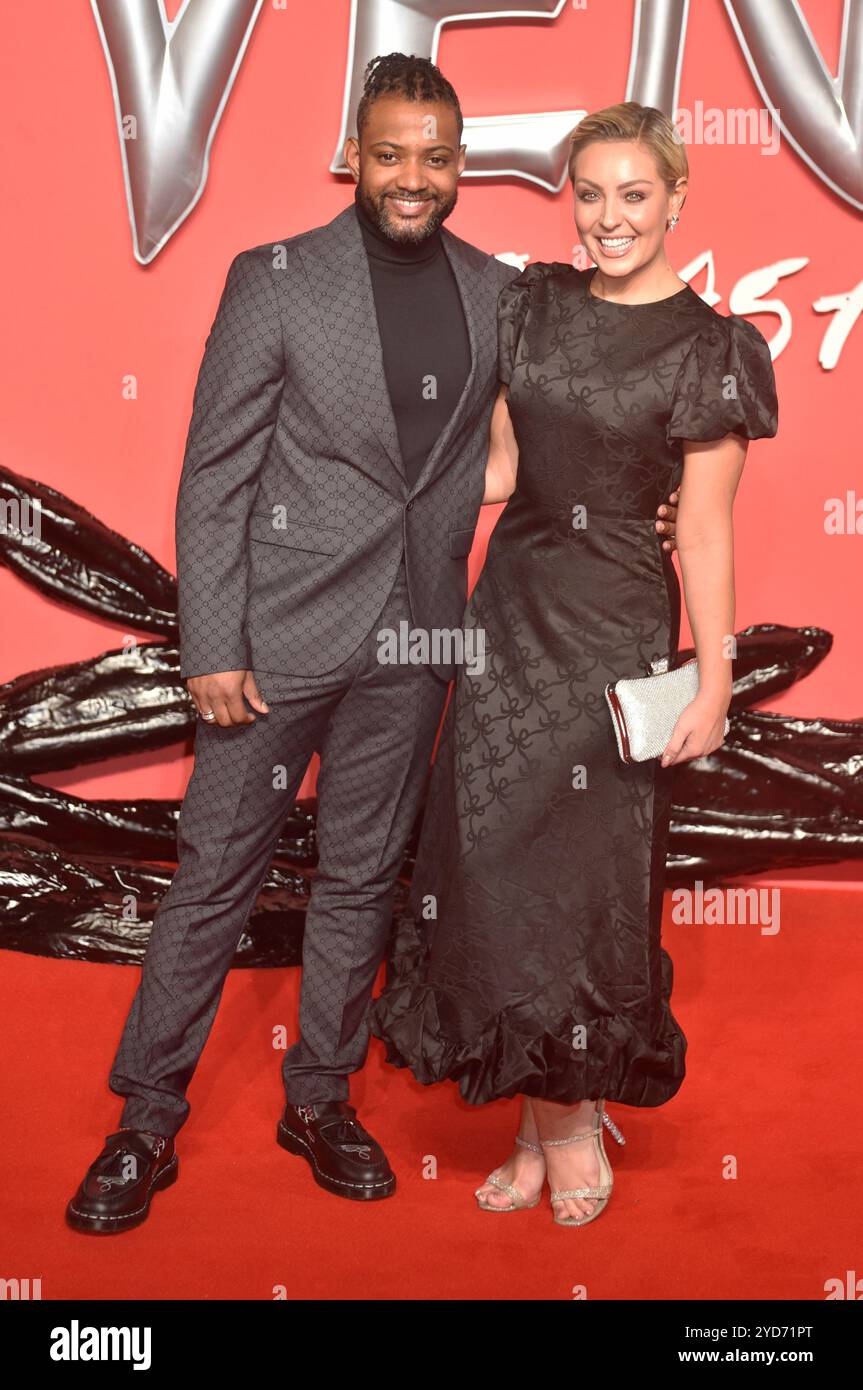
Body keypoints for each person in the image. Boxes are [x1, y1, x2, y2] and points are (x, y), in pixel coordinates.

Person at [65, 64, 679, 1234]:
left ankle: (319, 1097)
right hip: (272, 646)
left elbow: (571, 413)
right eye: (392, 154)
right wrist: (212, 645)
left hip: (412, 643)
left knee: (356, 880)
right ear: (356, 154)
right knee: (212, 882)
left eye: (436, 156)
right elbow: (215, 475)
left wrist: (645, 498)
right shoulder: (275, 282)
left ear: (459, 163)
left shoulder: (494, 291)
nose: (413, 177)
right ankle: (143, 1120)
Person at [369, 101, 779, 1227]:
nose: (607, 218)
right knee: (490, 867)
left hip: (608, 632)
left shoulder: (709, 345)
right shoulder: (531, 302)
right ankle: (548, 1115)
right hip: (508, 616)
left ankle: (563, 1119)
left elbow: (700, 528)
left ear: (676, 198)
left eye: (632, 194)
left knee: (582, 884)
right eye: (589, 194)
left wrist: (716, 678)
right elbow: (500, 468)